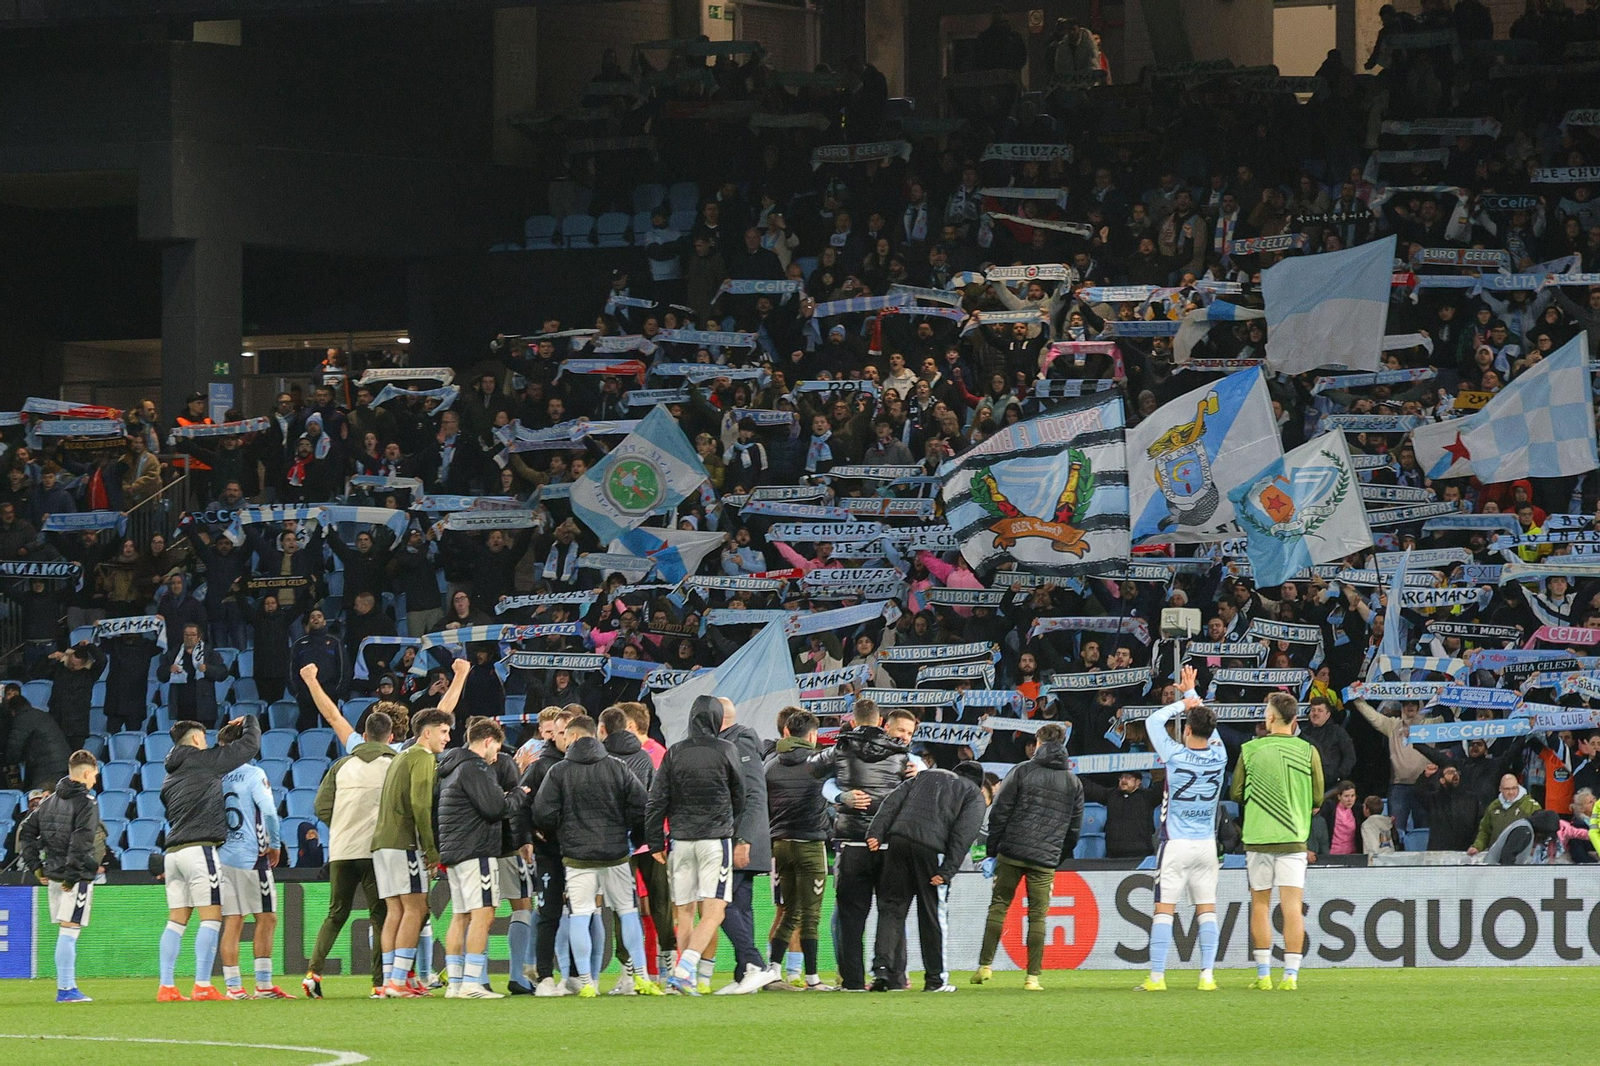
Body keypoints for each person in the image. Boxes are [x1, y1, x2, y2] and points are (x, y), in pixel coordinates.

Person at [532, 714, 658, 997]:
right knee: (627, 912)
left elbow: (542, 813)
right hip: (615, 854)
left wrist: (562, 832)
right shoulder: (618, 767)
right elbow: (642, 806)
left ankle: (587, 983)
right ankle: (642, 976)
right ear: (595, 735)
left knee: (580, 915)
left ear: (573, 737)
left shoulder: (559, 771)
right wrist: (630, 836)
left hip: (577, 857)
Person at [371, 659, 468, 998]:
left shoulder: (401, 755)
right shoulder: (423, 758)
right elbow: (421, 804)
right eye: (443, 732)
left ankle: (388, 980)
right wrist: (431, 849)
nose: (448, 737)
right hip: (403, 843)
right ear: (427, 733)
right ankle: (399, 980)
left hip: (381, 843)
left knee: (395, 910)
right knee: (416, 908)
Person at [805, 701, 914, 991]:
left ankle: (852, 980)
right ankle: (892, 976)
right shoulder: (901, 754)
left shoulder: (841, 749)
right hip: (889, 843)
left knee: (851, 916)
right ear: (881, 722)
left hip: (852, 842)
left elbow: (812, 768)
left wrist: (841, 790)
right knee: (891, 912)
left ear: (853, 722)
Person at [156, 713, 262, 1002]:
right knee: (212, 918)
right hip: (200, 850)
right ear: (197, 739)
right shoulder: (203, 760)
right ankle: (202, 984)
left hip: (173, 854)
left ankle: (166, 986)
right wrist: (250, 721)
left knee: (177, 920)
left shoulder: (169, 776)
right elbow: (249, 747)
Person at [645, 694, 746, 996]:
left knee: (685, 912)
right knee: (714, 911)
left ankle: (682, 979)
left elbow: (656, 800)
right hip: (715, 840)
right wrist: (734, 830)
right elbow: (740, 797)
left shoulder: (674, 752)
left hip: (681, 842)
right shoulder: (727, 750)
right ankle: (686, 968)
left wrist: (654, 842)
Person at [973, 722, 1083, 991]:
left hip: (1012, 851)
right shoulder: (1073, 781)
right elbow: (1075, 827)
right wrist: (1057, 857)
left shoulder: (1022, 771)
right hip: (1045, 859)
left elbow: (1000, 811)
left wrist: (993, 850)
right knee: (1038, 916)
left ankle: (985, 966)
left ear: (1038, 742)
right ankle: (1032, 977)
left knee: (999, 905)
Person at [866, 759, 987, 993]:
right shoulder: (973, 793)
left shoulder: (923, 777)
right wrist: (948, 870)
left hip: (898, 841)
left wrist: (876, 832)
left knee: (891, 908)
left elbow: (892, 803)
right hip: (932, 851)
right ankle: (935, 980)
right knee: (932, 914)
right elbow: (965, 832)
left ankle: (882, 972)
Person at [1229, 692, 1322, 992]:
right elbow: (1318, 797)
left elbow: (1236, 793)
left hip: (1258, 838)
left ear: (1270, 718)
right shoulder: (1309, 752)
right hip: (1293, 838)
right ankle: (1291, 977)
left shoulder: (1250, 750)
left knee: (1260, 903)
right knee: (1292, 905)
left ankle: (1264, 974)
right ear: (1295, 721)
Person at [304, 705, 398, 999]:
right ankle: (379, 983)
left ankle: (313, 973)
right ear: (390, 737)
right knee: (380, 915)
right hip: (374, 851)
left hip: (341, 850)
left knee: (336, 914)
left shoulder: (341, 765)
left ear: (365, 735)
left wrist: (342, 824)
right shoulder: (394, 764)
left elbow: (320, 806)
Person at [436, 717, 528, 999]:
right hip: (476, 850)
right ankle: (472, 983)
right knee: (484, 912)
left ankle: (454, 983)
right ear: (488, 741)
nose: (496, 756)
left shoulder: (449, 768)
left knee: (461, 915)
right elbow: (494, 808)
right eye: (496, 748)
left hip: (454, 850)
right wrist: (517, 795)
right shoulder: (475, 767)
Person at [18, 749, 105, 1004]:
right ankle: (66, 989)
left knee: (66, 930)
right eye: (95, 775)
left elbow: (26, 833)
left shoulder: (49, 801)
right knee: (70, 930)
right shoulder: (87, 802)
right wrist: (72, 876)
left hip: (53, 874)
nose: (96, 780)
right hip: (72, 877)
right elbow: (81, 842)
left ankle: (67, 987)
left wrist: (37, 866)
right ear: (87, 773)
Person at [216, 717, 288, 999]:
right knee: (267, 917)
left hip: (222, 856)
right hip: (251, 856)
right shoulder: (253, 774)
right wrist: (275, 844)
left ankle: (234, 987)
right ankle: (264, 985)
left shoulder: (214, 776)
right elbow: (268, 811)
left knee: (233, 920)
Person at [762, 709, 833, 991]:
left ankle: (774, 972)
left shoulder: (770, 766)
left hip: (780, 846)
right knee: (810, 915)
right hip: (810, 844)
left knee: (788, 911)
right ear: (813, 735)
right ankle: (813, 979)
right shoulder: (819, 764)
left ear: (787, 733)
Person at [717, 695, 779, 995]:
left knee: (720, 903)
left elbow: (754, 793)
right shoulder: (734, 741)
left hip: (740, 839)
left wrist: (743, 839)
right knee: (740, 905)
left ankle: (755, 965)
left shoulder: (739, 742)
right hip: (739, 837)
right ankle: (746, 973)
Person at [160, 623, 229, 727]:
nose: (189, 638)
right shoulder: (174, 653)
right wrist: (169, 669)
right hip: (181, 709)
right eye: (186, 635)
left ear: (199, 637)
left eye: (192, 635)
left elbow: (223, 673)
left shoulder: (209, 653)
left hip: (204, 711)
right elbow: (160, 675)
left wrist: (207, 668)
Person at [1469, 774, 1542, 857]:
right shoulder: (1493, 807)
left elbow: (1541, 831)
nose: (1511, 792)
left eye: (1514, 788)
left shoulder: (1531, 806)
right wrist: (1477, 847)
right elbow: (1485, 831)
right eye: (1507, 789)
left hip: (1521, 858)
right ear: (1500, 789)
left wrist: (1535, 847)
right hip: (1496, 857)